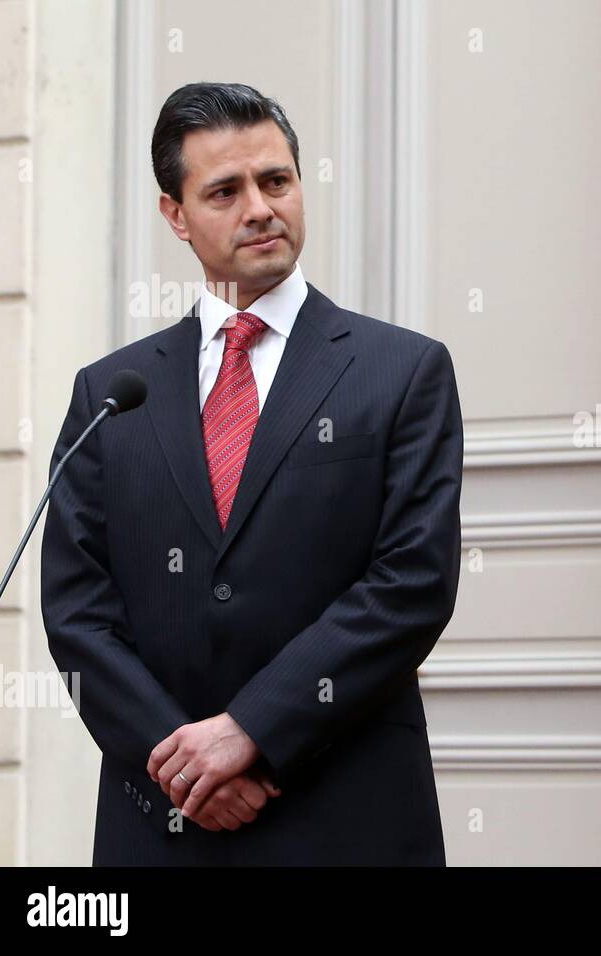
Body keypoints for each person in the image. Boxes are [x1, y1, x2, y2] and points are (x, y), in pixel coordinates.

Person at [41, 82, 462, 865]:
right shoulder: (110, 395)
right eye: (225, 191)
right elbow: (77, 612)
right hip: (164, 822)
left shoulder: (402, 371)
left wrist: (251, 733)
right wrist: (185, 767)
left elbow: (412, 582)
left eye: (277, 181)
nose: (261, 208)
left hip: (346, 812)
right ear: (175, 214)